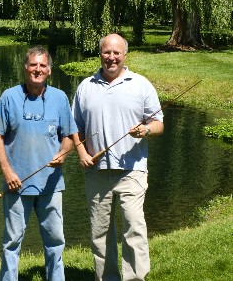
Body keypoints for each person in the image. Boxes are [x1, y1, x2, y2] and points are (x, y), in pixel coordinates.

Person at [72, 33, 164, 281]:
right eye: (106, 52)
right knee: (100, 233)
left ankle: (135, 278)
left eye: (116, 53)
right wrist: (82, 153)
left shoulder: (141, 84)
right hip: (96, 172)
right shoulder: (85, 86)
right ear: (100, 53)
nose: (111, 58)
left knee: (134, 228)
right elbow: (75, 128)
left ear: (125, 54)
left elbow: (158, 124)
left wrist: (145, 130)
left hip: (132, 171)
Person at [0, 46, 79, 281]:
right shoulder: (9, 96)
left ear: (49, 70)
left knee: (55, 240)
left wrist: (63, 154)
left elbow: (68, 136)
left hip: (51, 185)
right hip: (16, 184)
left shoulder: (59, 98)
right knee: (12, 241)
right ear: (25, 68)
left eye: (42, 66)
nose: (37, 70)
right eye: (33, 65)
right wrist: (7, 171)